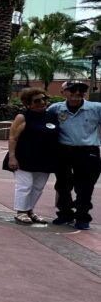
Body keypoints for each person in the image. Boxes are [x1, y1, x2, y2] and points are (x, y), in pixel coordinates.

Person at [48, 80, 101, 229]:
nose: (77, 94)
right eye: (73, 90)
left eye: (81, 90)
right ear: (63, 92)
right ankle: (65, 214)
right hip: (63, 151)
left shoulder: (96, 108)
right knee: (62, 186)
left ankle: (82, 217)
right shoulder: (55, 109)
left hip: (88, 152)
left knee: (85, 187)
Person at [7, 87, 60, 224]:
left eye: (44, 99)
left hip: (45, 159)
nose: (42, 102)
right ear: (27, 103)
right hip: (24, 158)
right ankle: (21, 212)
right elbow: (13, 138)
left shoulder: (52, 116)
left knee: (38, 187)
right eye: (37, 101)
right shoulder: (23, 117)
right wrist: (12, 157)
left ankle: (30, 210)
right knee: (25, 185)